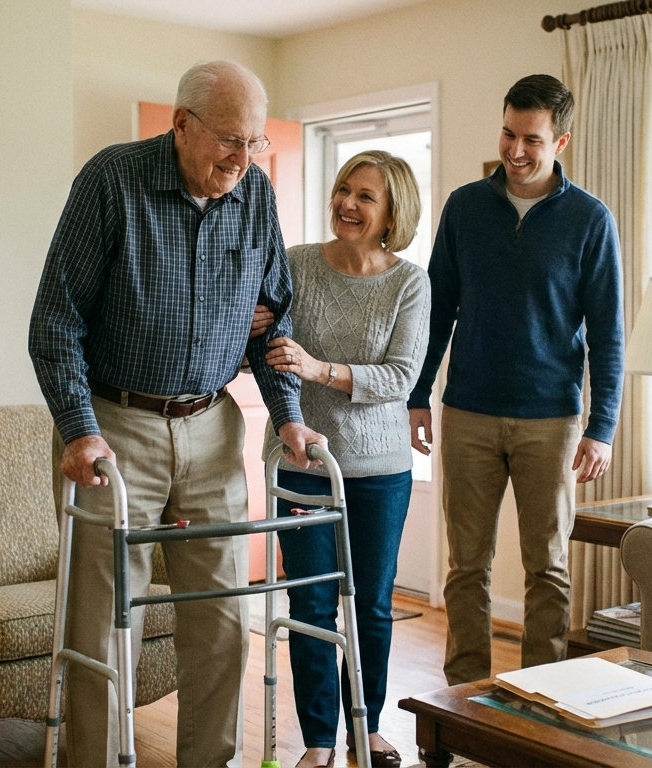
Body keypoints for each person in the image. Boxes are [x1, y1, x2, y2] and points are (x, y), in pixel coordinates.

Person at [28, 60, 326, 768]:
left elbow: (271, 321)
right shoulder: (112, 181)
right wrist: (79, 431)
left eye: (256, 142)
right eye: (230, 139)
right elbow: (55, 322)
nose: (243, 158)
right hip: (115, 426)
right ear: (181, 123)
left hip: (215, 425)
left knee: (223, 618)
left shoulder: (254, 192)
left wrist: (288, 418)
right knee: (105, 628)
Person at [407, 74, 624, 685]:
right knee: (466, 567)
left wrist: (601, 424)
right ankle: (466, 699)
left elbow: (608, 333)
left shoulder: (589, 220)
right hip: (469, 412)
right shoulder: (465, 208)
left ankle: (543, 699)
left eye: (531, 138)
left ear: (562, 142)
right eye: (508, 133)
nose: (516, 150)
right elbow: (437, 309)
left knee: (547, 568)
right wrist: (419, 395)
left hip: (552, 419)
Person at [262, 150, 429, 768]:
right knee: (309, 603)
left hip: (381, 470)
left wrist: (318, 369)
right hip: (303, 463)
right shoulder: (297, 265)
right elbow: (267, 342)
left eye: (365, 196)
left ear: (392, 213)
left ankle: (369, 725)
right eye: (343, 190)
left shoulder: (410, 282)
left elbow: (402, 376)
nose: (348, 204)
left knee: (371, 603)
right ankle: (318, 741)